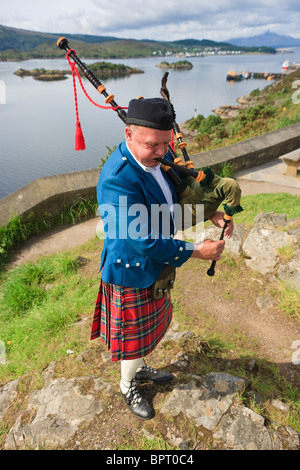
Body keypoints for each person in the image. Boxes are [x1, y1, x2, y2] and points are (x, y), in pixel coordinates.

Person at [90, 97, 233, 420]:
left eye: (165, 144)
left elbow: (175, 195)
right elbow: (144, 241)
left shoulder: (160, 152)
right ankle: (128, 384)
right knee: (132, 338)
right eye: (152, 145)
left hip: (156, 264)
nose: (161, 152)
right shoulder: (117, 180)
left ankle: (139, 367)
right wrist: (197, 251)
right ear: (128, 134)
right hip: (132, 270)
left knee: (149, 330)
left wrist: (210, 212)